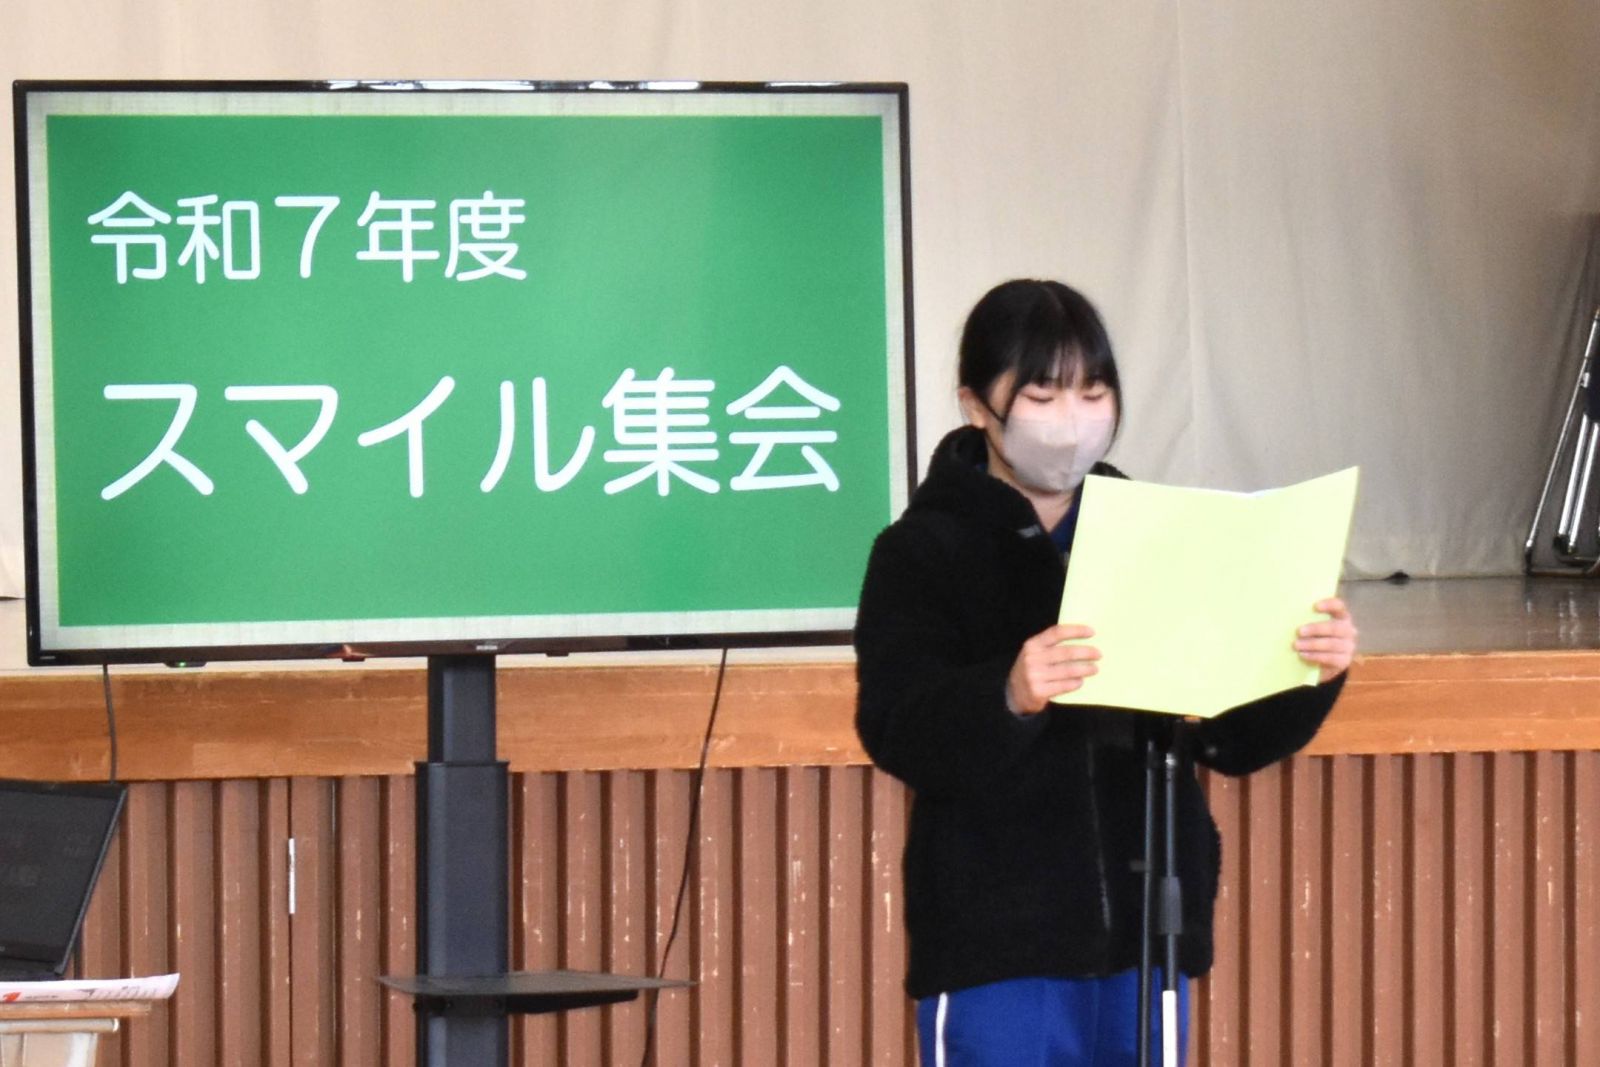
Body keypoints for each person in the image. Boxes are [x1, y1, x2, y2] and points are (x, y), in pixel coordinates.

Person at [853, 279, 1357, 1066]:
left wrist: (1307, 671)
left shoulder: (1155, 532)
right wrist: (1008, 694)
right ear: (975, 405)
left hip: (1143, 933)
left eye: (1093, 393)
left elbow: (1226, 738)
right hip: (997, 941)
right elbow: (897, 728)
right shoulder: (921, 549)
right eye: (1042, 395)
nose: (1072, 419)